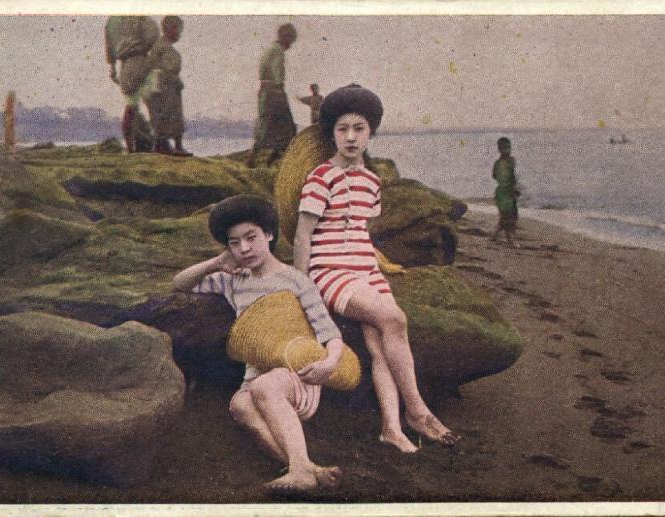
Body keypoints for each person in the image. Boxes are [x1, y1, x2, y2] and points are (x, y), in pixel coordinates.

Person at [293, 84, 461, 453]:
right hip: (330, 271)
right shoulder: (320, 177)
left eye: (360, 129)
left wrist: (380, 266)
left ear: (371, 133)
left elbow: (361, 231)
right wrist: (302, 286)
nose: (351, 137)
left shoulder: (371, 181)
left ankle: (391, 428)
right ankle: (417, 411)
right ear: (332, 134)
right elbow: (303, 234)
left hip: (366, 271)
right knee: (395, 320)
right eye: (342, 129)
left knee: (380, 344)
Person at [173, 195, 344, 494]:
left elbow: (330, 333)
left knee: (265, 386)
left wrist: (329, 365)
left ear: (269, 234)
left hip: (297, 376)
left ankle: (300, 469)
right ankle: (308, 469)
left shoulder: (295, 280)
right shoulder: (234, 280)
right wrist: (216, 262)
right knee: (239, 404)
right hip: (256, 379)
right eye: (234, 242)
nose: (244, 249)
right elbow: (180, 283)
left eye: (251, 237)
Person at [104, 16, 160, 153]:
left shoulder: (111, 21)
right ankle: (159, 145)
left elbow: (109, 47)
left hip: (125, 66)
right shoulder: (140, 16)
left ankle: (130, 149)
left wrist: (113, 68)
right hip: (142, 60)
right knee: (153, 105)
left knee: (130, 107)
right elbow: (153, 36)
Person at [146, 16, 191, 156]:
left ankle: (164, 145)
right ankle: (174, 147)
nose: (179, 34)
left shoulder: (161, 46)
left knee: (166, 115)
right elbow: (168, 68)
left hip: (163, 86)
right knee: (169, 115)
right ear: (170, 29)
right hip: (166, 86)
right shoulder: (163, 47)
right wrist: (176, 81)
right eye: (178, 30)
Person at [251, 23, 298, 162]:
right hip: (274, 93)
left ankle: (264, 156)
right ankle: (263, 158)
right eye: (290, 40)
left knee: (267, 124)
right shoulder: (278, 52)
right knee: (286, 127)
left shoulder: (270, 49)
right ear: (285, 37)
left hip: (265, 92)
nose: (291, 44)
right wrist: (280, 92)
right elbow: (278, 77)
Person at [490, 137, 520, 247]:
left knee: (504, 216)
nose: (508, 150)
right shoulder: (511, 161)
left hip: (500, 192)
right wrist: (515, 189)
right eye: (506, 148)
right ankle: (511, 240)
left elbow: (494, 175)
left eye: (508, 148)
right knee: (511, 217)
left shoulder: (497, 163)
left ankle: (495, 236)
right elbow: (512, 178)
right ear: (500, 149)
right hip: (507, 192)